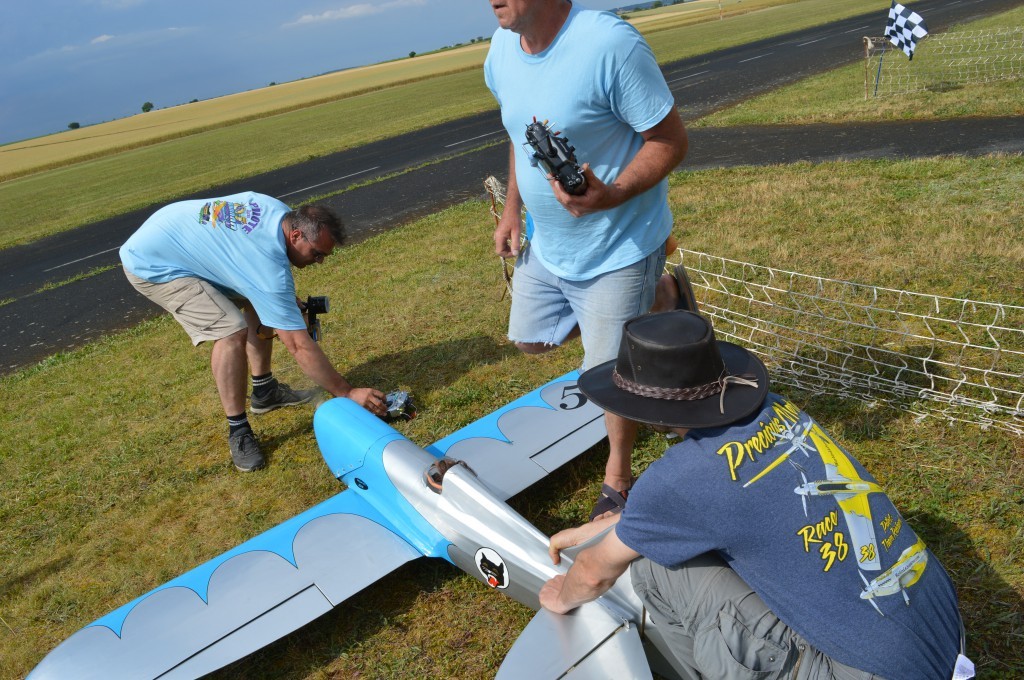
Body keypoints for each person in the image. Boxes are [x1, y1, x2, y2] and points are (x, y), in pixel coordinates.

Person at [539, 311, 973, 679]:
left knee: (654, 568)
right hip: (943, 635)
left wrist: (561, 596)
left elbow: (596, 572)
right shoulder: (777, 409)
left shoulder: (677, 477)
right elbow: (723, 500)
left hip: (863, 671)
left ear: (647, 411)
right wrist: (607, 525)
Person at [484, 0, 689, 518]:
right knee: (529, 340)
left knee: (607, 378)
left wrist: (613, 194)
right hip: (550, 247)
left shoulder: (609, 44)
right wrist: (512, 208)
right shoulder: (500, 50)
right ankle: (662, 297)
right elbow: (518, 132)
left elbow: (670, 140)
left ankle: (618, 478)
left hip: (618, 242)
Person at [120, 191, 387, 472]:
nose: (319, 261)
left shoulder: (281, 214)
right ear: (295, 235)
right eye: (317, 254)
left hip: (174, 234)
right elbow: (297, 344)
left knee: (262, 298)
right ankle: (239, 430)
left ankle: (264, 391)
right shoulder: (267, 267)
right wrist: (346, 392)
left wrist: (277, 302)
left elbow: (258, 278)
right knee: (230, 331)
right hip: (154, 262)